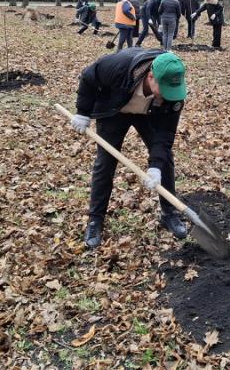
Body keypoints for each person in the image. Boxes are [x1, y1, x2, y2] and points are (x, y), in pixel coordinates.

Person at [70, 49, 190, 249]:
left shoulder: (174, 95)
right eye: (165, 88)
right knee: (105, 162)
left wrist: (156, 166)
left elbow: (165, 134)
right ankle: (95, 220)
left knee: (165, 159)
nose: (171, 95)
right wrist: (82, 112)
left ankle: (169, 214)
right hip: (115, 110)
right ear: (151, 76)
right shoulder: (119, 66)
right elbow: (89, 76)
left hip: (150, 113)